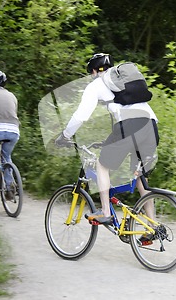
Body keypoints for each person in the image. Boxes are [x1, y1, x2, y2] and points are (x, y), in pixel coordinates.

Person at [55, 53, 159, 225]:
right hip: (150, 125)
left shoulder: (96, 85)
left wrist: (64, 136)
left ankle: (105, 213)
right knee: (141, 178)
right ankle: (153, 226)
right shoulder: (122, 82)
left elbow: (81, 116)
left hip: (129, 126)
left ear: (94, 71)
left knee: (101, 166)